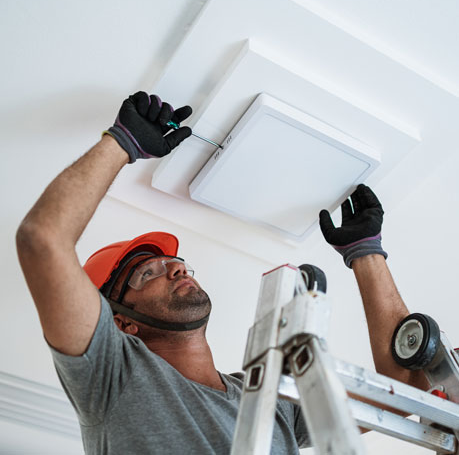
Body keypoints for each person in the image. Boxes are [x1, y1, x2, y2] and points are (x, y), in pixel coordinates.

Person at [16, 92, 428, 454]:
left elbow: (405, 389)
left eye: (176, 263)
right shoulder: (112, 375)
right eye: (147, 273)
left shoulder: (268, 399)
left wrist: (365, 253)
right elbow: (42, 240)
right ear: (122, 323)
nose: (175, 266)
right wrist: (121, 144)